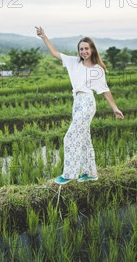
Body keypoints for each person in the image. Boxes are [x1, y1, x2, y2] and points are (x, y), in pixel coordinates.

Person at [35, 26, 124, 184]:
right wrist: (44, 36)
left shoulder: (97, 69)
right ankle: (91, 173)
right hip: (76, 103)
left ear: (92, 50)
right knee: (84, 140)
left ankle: (69, 174)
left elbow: (105, 90)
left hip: (88, 103)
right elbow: (55, 53)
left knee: (70, 137)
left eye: (86, 48)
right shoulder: (73, 62)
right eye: (81, 49)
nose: (83, 51)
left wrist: (115, 108)